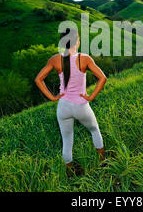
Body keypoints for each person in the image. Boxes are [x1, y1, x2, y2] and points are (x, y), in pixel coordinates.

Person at [34, 27, 107, 176]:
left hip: (63, 107)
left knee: (67, 141)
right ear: (77, 42)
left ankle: (71, 171)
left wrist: (53, 97)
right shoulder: (84, 58)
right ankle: (102, 162)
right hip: (81, 105)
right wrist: (91, 97)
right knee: (94, 130)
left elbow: (38, 79)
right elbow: (103, 78)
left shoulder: (55, 59)